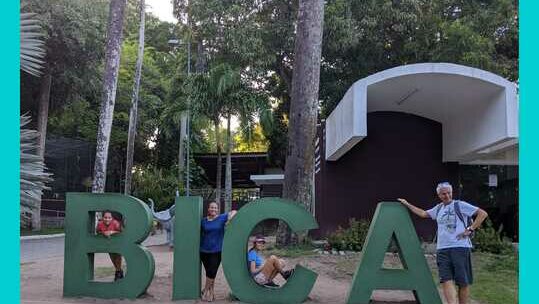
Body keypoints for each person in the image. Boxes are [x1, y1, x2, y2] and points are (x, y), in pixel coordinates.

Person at [398, 182, 488, 304]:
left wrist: (470, 229)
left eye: (448, 193)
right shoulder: (439, 208)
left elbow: (482, 214)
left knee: (463, 282)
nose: (446, 195)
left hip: (460, 248)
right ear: (439, 195)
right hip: (442, 249)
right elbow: (424, 213)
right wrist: (407, 204)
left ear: (451, 193)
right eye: (443, 194)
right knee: (446, 279)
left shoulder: (460, 205)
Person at [200, 202, 237, 301]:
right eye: (211, 207)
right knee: (209, 274)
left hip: (217, 251)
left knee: (212, 271)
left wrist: (229, 218)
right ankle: (212, 293)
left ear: (218, 210)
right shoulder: (203, 221)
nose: (213, 209)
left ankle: (205, 291)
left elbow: (234, 211)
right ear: (208, 209)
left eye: (215, 208)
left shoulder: (222, 218)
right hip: (204, 251)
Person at [96, 210, 123, 281]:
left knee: (117, 257)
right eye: (105, 217)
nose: (107, 219)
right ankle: (119, 271)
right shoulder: (100, 224)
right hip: (108, 244)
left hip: (117, 243)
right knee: (112, 257)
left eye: (109, 218)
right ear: (102, 218)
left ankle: (118, 272)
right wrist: (103, 233)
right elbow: (98, 232)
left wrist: (112, 232)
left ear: (112, 218)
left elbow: (121, 231)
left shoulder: (115, 223)